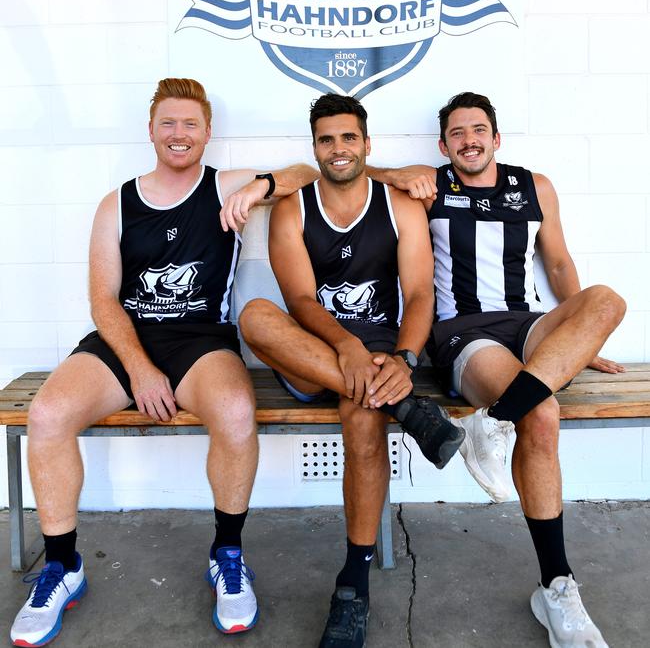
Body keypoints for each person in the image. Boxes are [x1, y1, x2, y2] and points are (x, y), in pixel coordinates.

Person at [10, 77, 318, 646]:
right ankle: (62, 566)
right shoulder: (117, 203)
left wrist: (260, 190)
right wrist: (139, 369)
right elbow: (104, 300)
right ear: (151, 130)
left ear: (207, 133)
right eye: (168, 123)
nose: (179, 134)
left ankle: (227, 555)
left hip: (200, 339)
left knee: (233, 411)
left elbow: (307, 172)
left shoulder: (225, 185)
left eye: (190, 124)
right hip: (127, 340)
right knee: (48, 415)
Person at [371, 91, 626, 648]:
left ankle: (493, 422)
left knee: (606, 301)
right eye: (457, 133)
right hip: (463, 331)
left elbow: (556, 262)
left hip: (527, 321)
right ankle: (558, 585)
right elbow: (349, 167)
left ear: (496, 136)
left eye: (478, 129)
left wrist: (578, 340)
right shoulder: (430, 185)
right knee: (544, 413)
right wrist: (398, 172)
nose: (469, 139)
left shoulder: (534, 185)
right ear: (443, 145)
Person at [238, 93, 465, 648]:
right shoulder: (293, 207)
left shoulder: (399, 205)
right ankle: (408, 411)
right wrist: (345, 346)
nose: (337, 149)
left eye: (347, 137)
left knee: (363, 423)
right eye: (325, 139)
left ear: (367, 144)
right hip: (317, 352)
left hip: (386, 351)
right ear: (314, 147)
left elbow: (418, 294)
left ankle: (353, 584)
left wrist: (407, 361)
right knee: (255, 316)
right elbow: (299, 298)